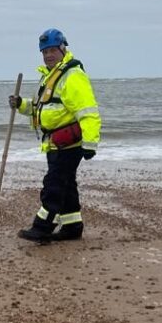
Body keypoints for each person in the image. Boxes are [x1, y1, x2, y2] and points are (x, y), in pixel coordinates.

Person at [9, 29, 100, 242]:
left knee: (54, 186)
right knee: (66, 185)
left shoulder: (72, 75)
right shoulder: (50, 76)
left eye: (52, 50)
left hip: (69, 144)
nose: (48, 55)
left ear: (63, 48)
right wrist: (20, 104)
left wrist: (90, 143)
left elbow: (88, 111)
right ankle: (72, 227)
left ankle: (42, 228)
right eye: (44, 52)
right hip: (54, 143)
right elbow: (39, 108)